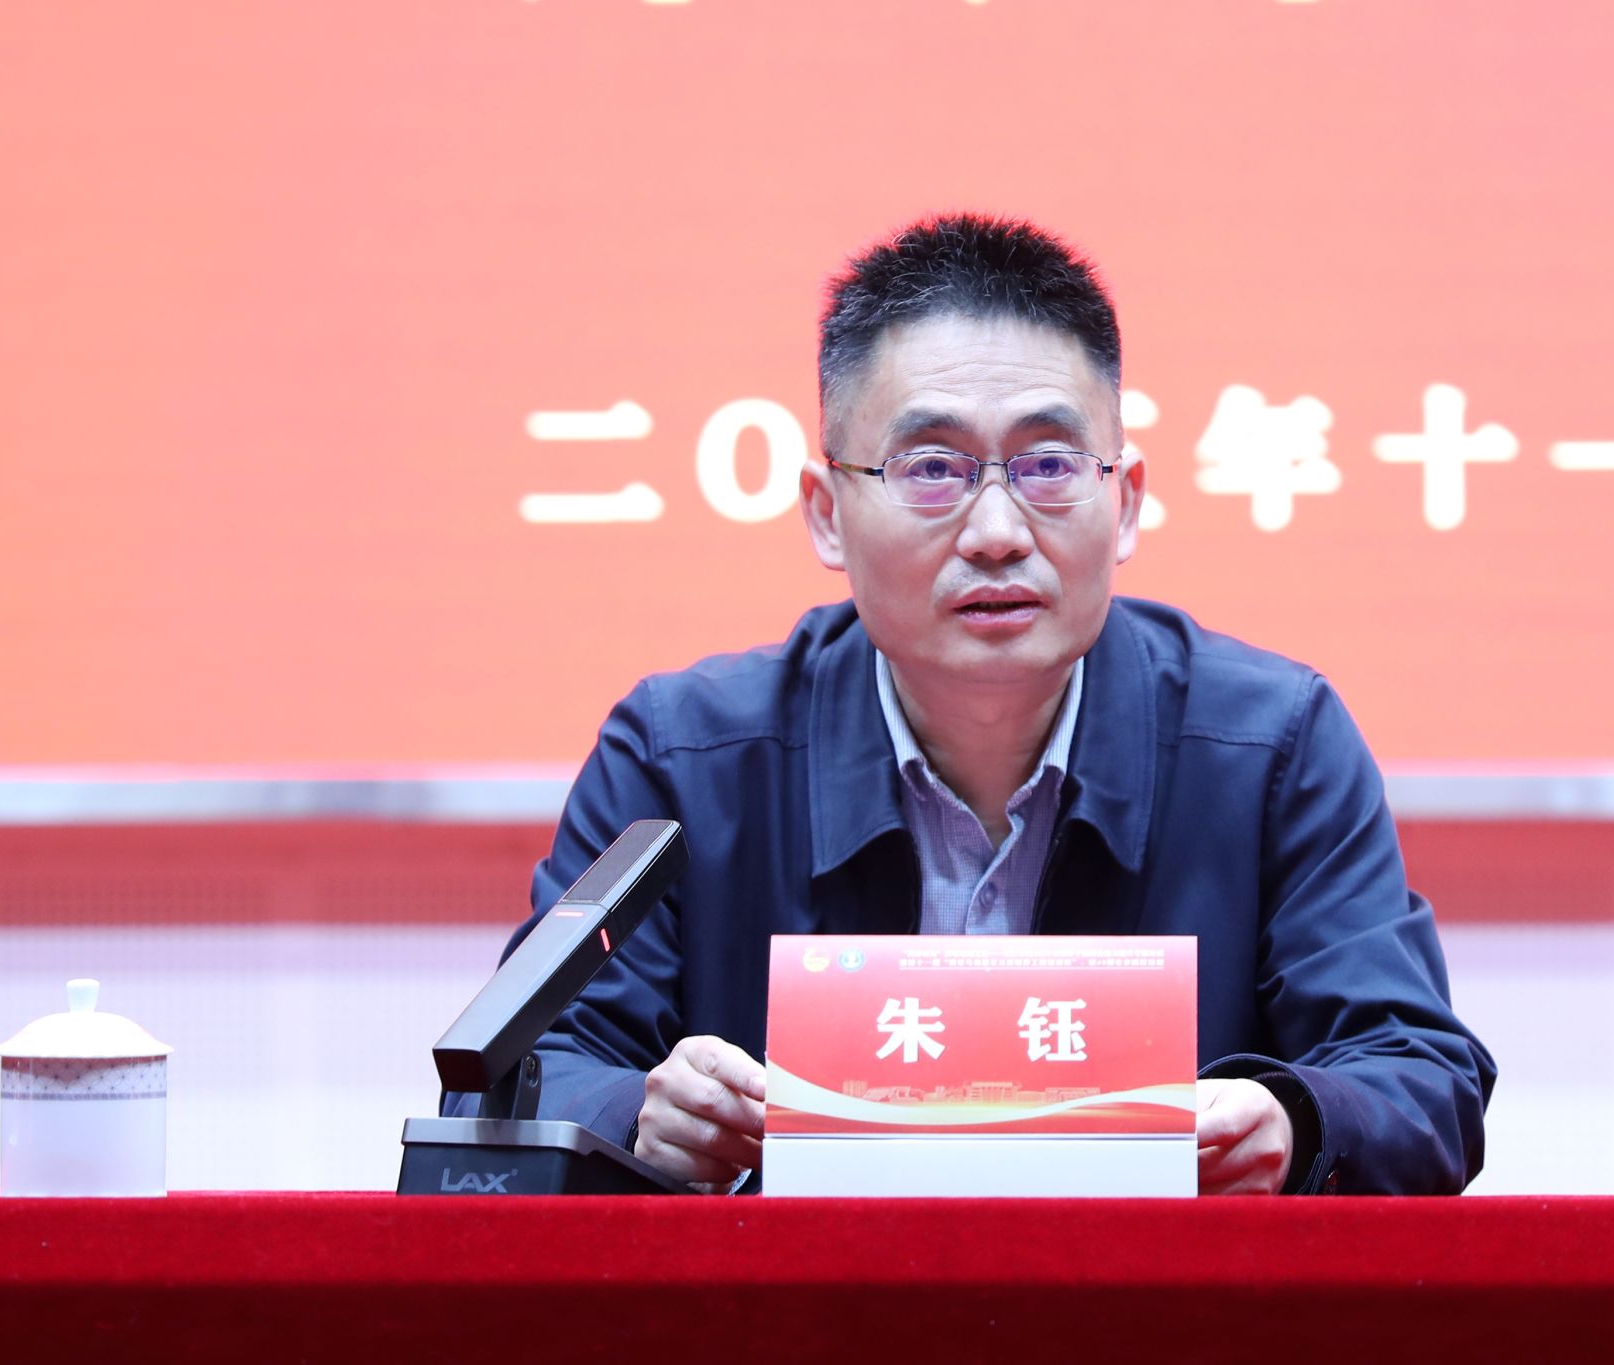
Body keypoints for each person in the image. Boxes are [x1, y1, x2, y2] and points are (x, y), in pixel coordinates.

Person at [456, 214, 1494, 1195]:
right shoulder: (682, 757)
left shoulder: (1271, 746)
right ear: (825, 513)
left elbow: (1420, 1077)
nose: (997, 532)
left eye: (1047, 465)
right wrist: (638, 1112)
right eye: (932, 468)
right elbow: (513, 1073)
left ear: (1127, 501)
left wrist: (1293, 1119)